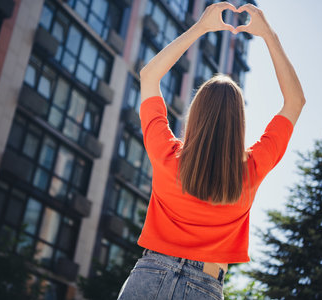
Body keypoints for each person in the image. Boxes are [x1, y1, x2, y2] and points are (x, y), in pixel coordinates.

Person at [117, 2, 305, 299]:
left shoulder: (167, 155)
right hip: (203, 285)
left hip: (148, 276)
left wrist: (201, 27)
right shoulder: (251, 170)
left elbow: (149, 75)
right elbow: (295, 101)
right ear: (239, 123)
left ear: (197, 114)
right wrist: (269, 35)